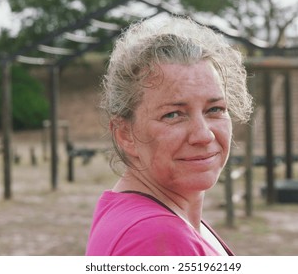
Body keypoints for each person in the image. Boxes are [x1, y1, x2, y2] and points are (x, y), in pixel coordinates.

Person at [85, 16, 253, 256]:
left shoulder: (159, 220)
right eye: (173, 115)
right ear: (125, 135)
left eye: (214, 109)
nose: (203, 135)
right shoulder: (155, 237)